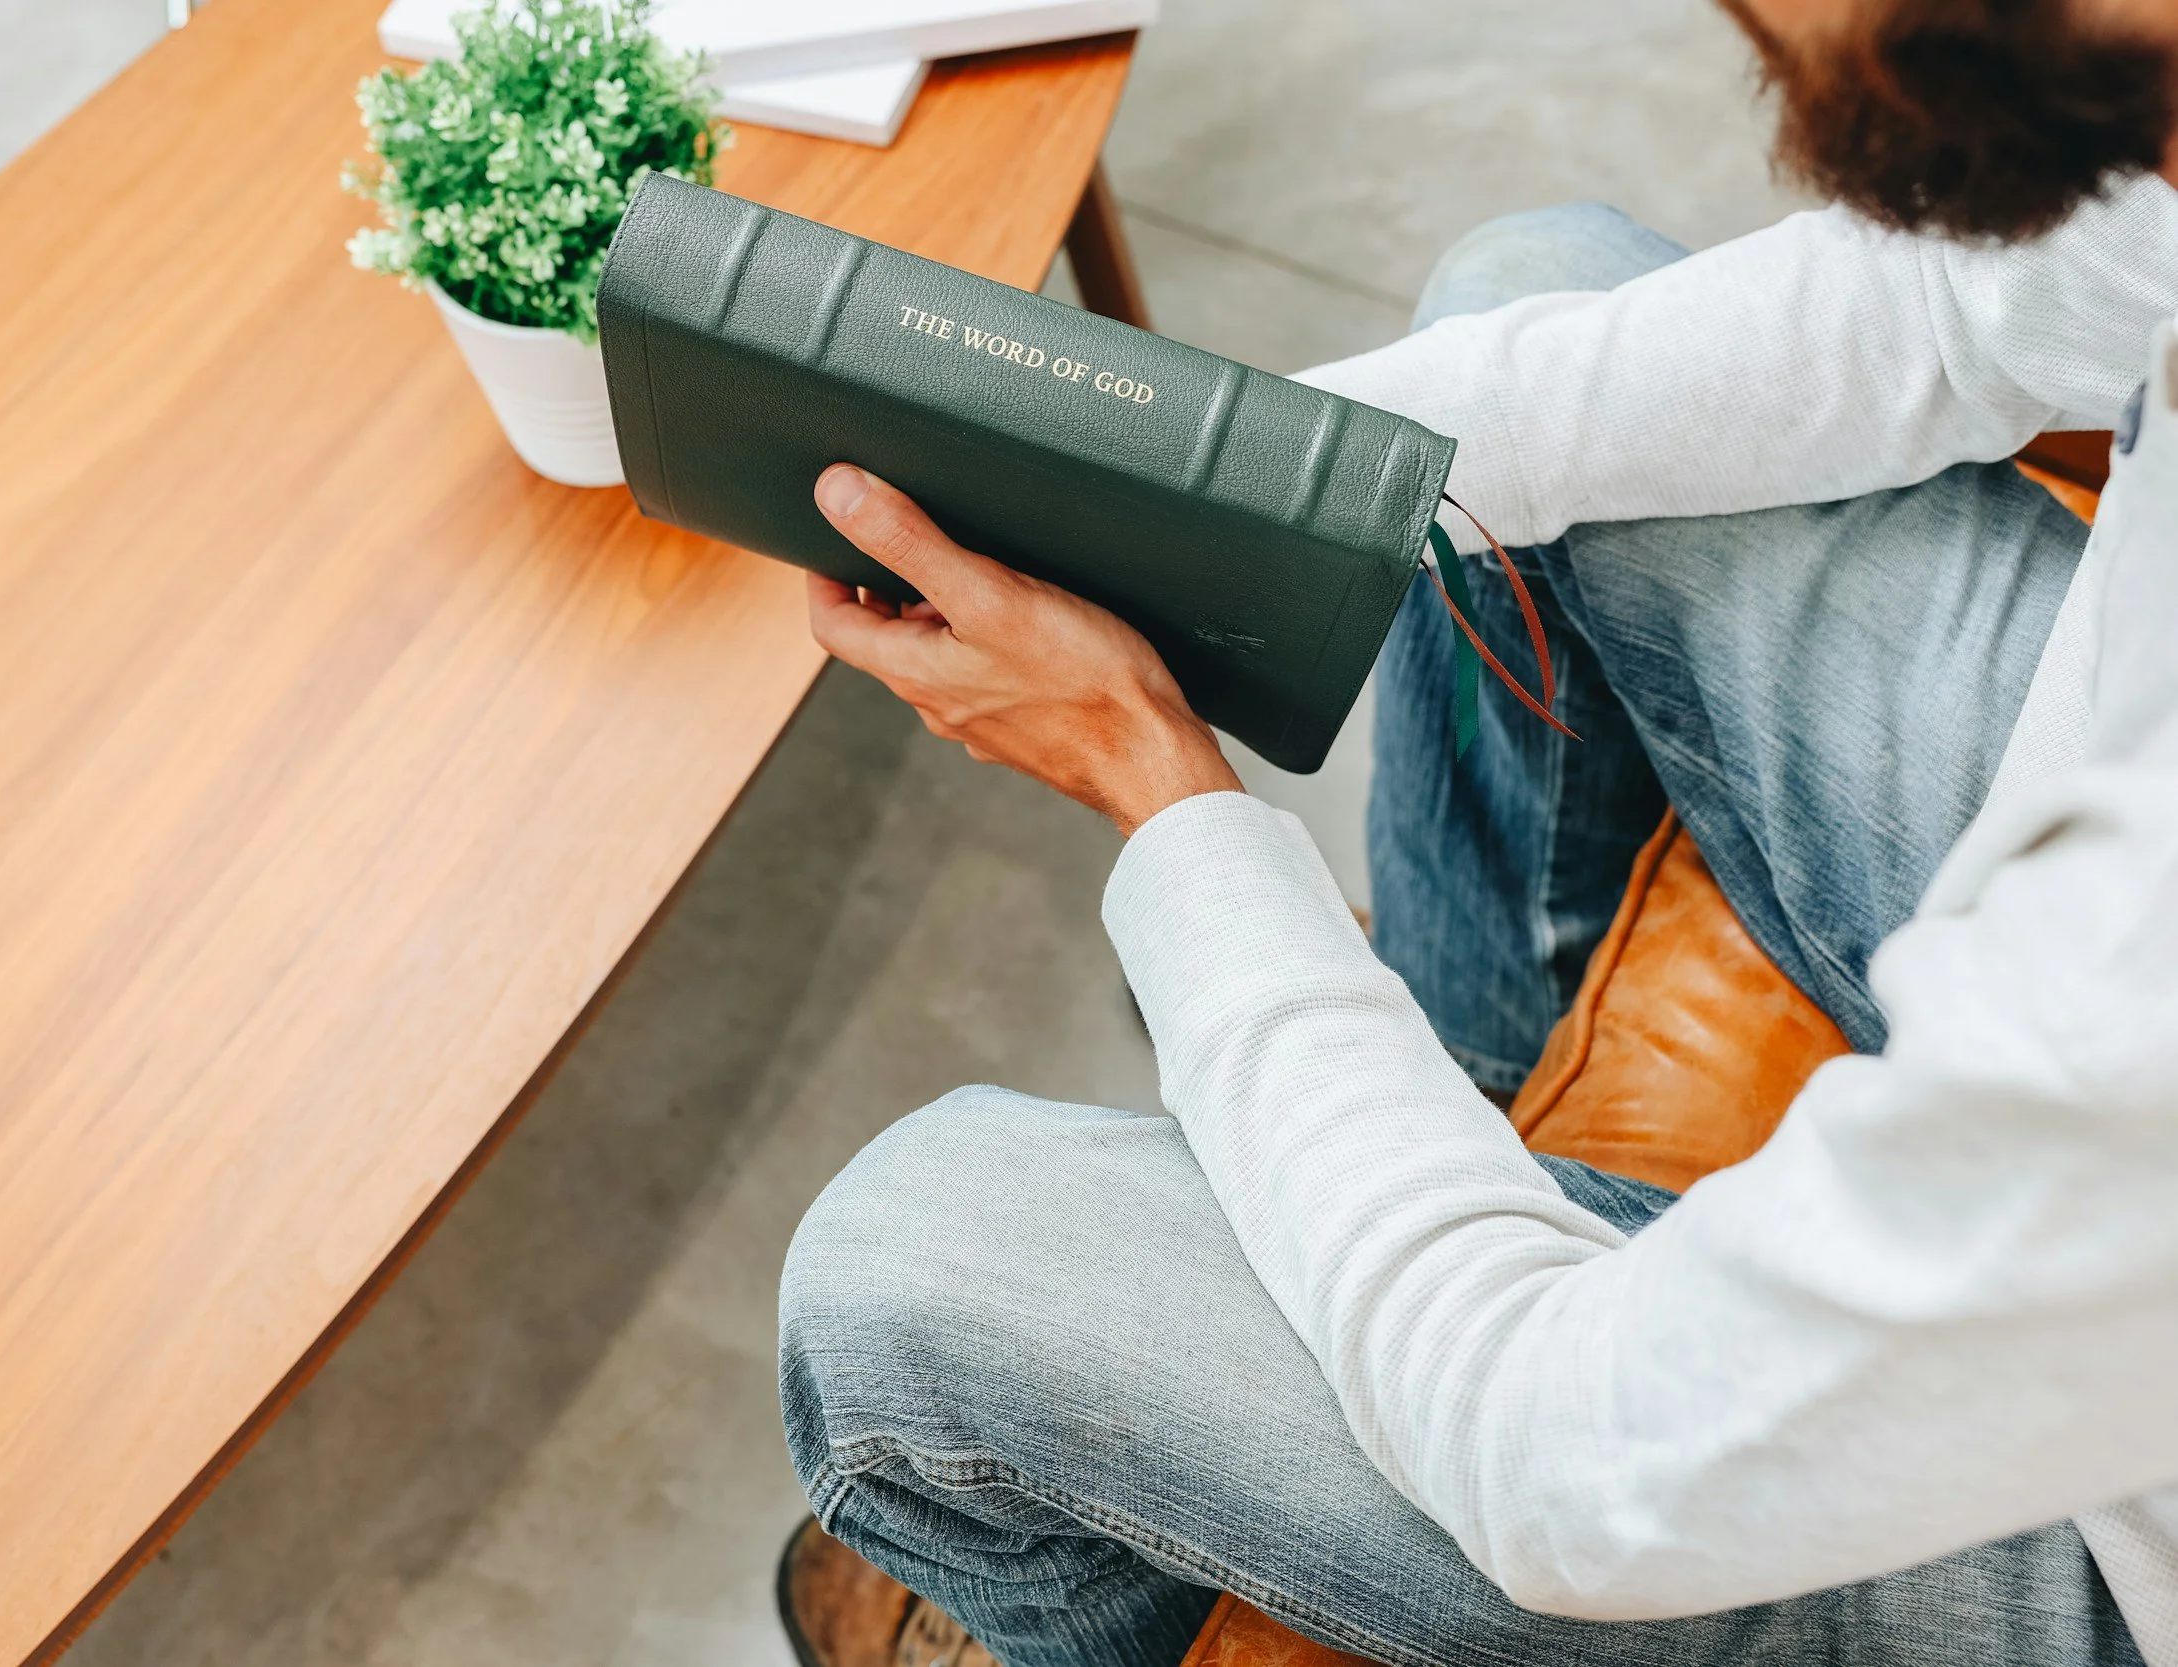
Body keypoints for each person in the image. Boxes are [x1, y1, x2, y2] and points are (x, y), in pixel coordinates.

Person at [771, 0, 2178, 1663]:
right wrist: (1240, 486)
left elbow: (1554, 1460)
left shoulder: (2126, 988)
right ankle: (1445, 1093)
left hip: (2107, 1512)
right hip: (2091, 835)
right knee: (1527, 297)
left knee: (910, 1275)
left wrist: (1160, 789)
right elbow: (1965, 304)